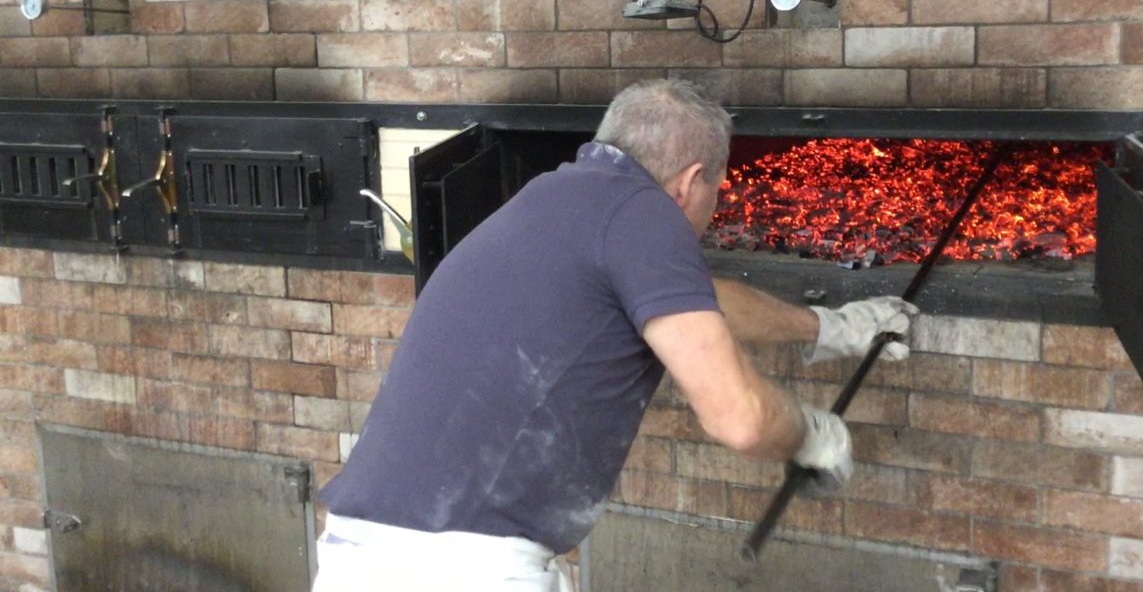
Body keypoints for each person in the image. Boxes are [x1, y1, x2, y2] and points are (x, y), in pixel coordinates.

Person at [312, 80, 918, 592]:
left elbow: (701, 304)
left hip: (356, 557)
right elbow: (742, 420)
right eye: (717, 190)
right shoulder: (645, 214)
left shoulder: (555, 199)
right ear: (691, 181)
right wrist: (810, 435)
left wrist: (833, 327)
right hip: (465, 567)